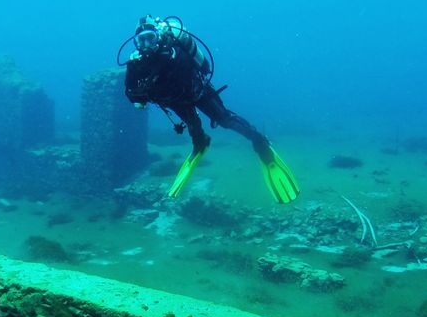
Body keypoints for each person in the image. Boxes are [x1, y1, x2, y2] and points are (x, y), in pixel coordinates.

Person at [119, 14, 299, 203]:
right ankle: (201, 143)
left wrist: (161, 67)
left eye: (150, 38)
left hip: (198, 92)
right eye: (141, 40)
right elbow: (131, 94)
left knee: (225, 119)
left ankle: (260, 143)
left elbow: (185, 71)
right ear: (136, 43)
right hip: (176, 101)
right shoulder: (136, 64)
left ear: (158, 36)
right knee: (193, 128)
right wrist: (139, 92)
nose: (146, 44)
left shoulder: (172, 52)